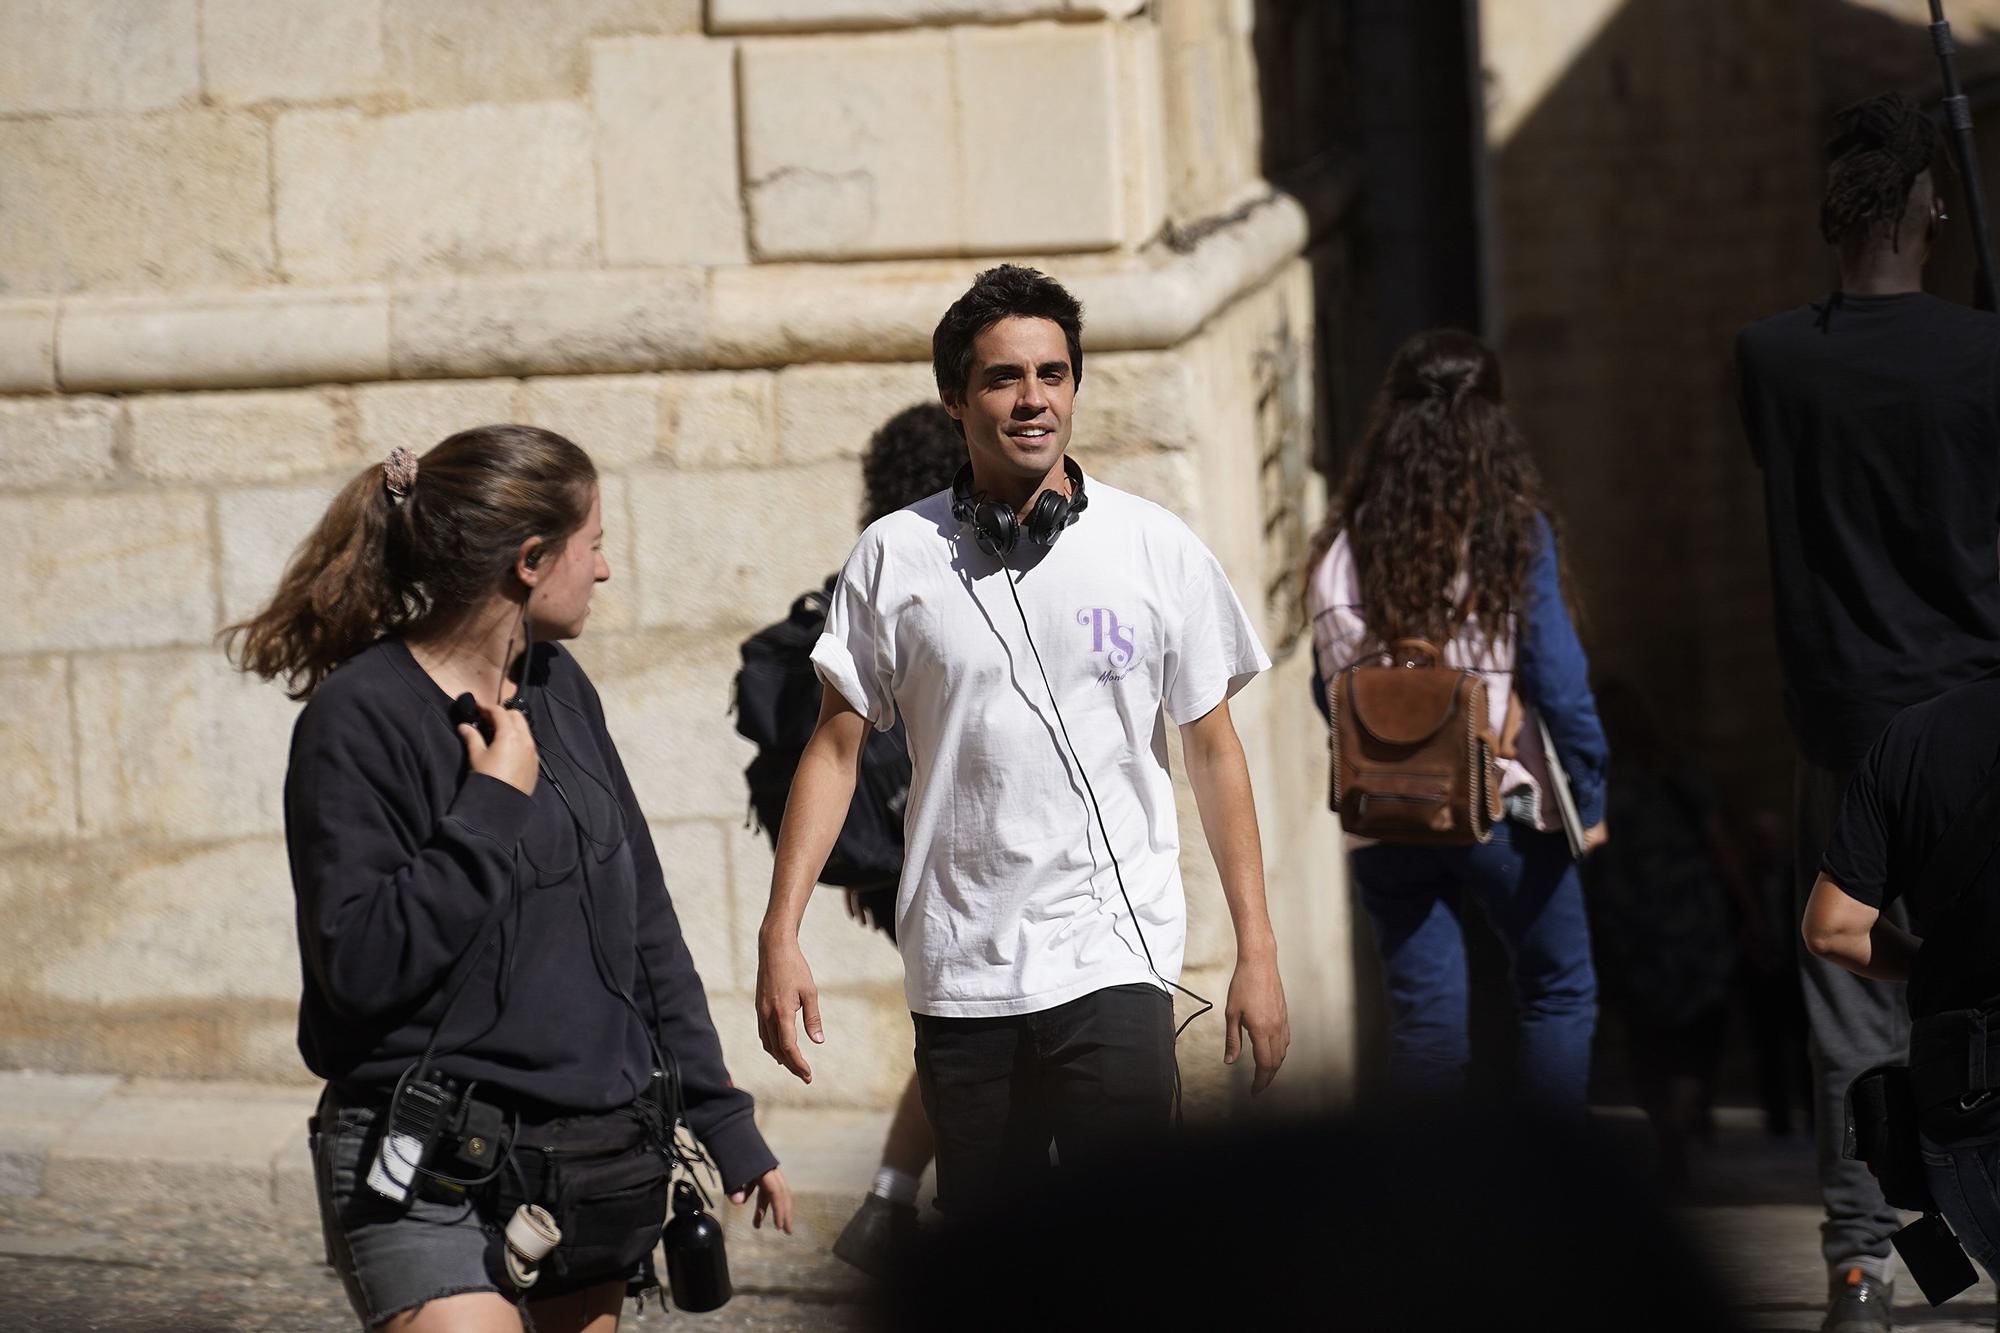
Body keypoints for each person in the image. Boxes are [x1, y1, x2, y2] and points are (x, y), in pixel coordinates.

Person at [754, 264, 1291, 1220]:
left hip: (1114, 961)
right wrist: (779, 932)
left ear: (1076, 385)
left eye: (1053, 373)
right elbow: (835, 749)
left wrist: (1257, 946)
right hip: (964, 972)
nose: (1033, 397)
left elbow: (1213, 749)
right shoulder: (893, 556)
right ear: (956, 398)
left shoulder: (1154, 547)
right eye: (1004, 377)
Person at [226, 424, 790, 1333]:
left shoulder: (562, 687)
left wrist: (722, 1117)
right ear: (532, 560)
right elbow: (358, 964)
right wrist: (488, 808)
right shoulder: (356, 718)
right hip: (423, 1161)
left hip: (588, 1163)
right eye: (594, 544)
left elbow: (642, 922)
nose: (604, 570)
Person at [1736, 91, 2000, 1329]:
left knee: (1849, 1003)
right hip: (1970, 724)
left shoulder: (1773, 357)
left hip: (1843, 723)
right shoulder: (1979, 357)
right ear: (1926, 209)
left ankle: (1863, 1262)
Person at [1304, 328, 1608, 1110]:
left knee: (1426, 1031)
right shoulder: (1510, 532)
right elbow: (1559, 680)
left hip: (1386, 813)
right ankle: (1544, 1196)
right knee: (1557, 991)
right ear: (1492, 423)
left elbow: (1327, 689)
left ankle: (1426, 1211)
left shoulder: (1341, 546)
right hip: (1501, 806)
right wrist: (1592, 797)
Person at [735, 402, 964, 1273]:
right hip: (947, 848)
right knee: (977, 1024)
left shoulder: (872, 570)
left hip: (893, 860)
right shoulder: (934, 572)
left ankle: (890, 1201)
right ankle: (899, 1201)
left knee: (960, 1022)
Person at [1802, 673, 2000, 1301]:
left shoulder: (1914, 736)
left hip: (1971, 1133)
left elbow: (1833, 929)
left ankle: (1859, 1266)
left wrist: (1952, 969)